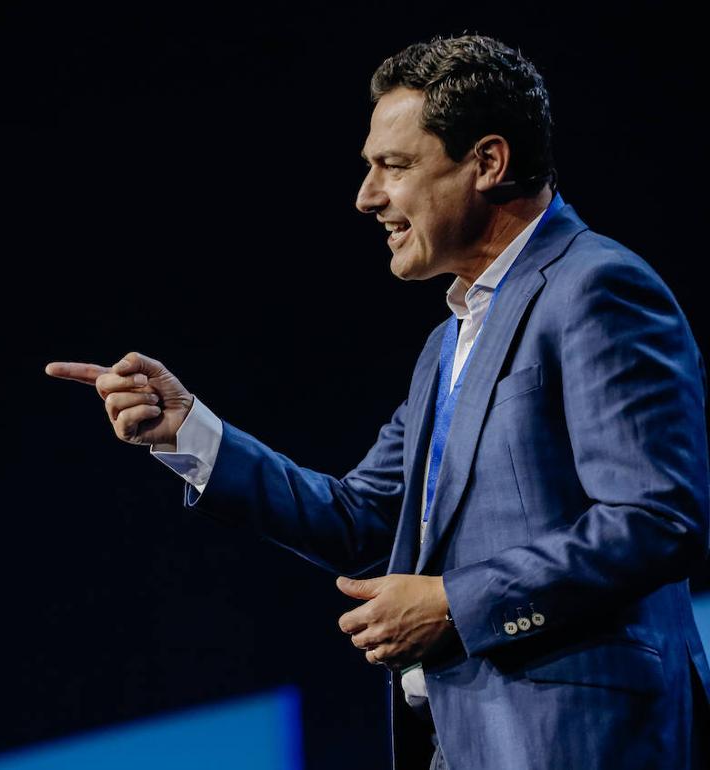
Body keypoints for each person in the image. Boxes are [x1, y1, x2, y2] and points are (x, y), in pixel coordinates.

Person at [45, 34, 710, 770]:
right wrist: (189, 434)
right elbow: (358, 518)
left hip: (581, 740)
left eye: (392, 166)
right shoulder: (446, 346)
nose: (366, 197)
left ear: (487, 163)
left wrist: (455, 602)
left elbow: (658, 520)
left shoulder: (598, 288)